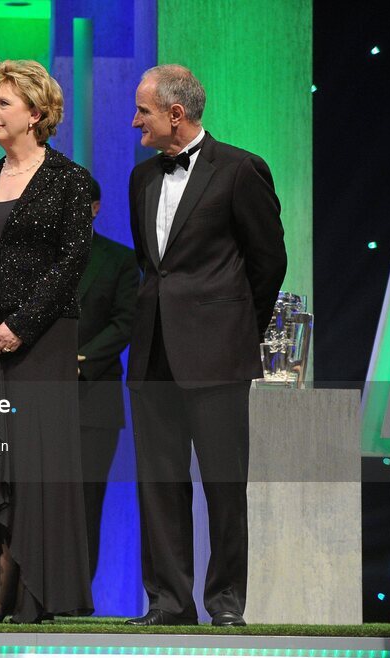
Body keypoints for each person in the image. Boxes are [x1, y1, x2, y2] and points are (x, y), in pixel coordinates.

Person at [125, 65, 287, 627]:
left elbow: (269, 263)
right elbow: (152, 267)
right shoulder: (142, 177)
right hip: (152, 353)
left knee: (222, 485)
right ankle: (168, 602)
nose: (134, 120)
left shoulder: (241, 169)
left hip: (217, 354)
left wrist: (238, 331)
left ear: (175, 113)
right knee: (159, 483)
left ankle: (224, 604)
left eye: (143, 110)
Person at [0, 59, 94, 624]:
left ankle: (20, 591)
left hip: (41, 343)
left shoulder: (68, 180)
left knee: (30, 464)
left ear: (36, 112)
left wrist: (20, 325)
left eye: (3, 103)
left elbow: (72, 260)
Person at [77, 177, 138, 580]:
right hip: (38, 396)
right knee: (35, 498)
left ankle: (77, 596)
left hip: (94, 396)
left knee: (86, 499)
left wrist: (81, 360)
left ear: (95, 208)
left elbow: (125, 322)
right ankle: (31, 595)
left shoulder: (120, 260)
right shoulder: (36, 261)